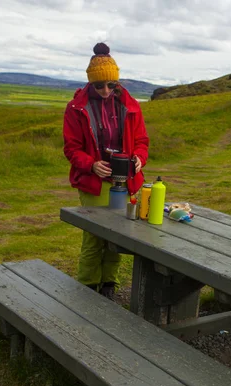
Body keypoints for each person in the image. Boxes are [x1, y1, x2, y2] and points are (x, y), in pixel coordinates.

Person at [63, 42, 149, 299]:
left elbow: (142, 142)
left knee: (118, 235)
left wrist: (139, 159)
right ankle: (88, 286)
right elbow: (71, 148)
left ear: (117, 82)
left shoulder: (131, 106)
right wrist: (91, 164)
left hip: (125, 180)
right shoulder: (75, 108)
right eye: (99, 85)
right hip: (94, 182)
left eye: (111, 85)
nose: (105, 90)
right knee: (94, 236)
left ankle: (109, 285)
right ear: (90, 83)